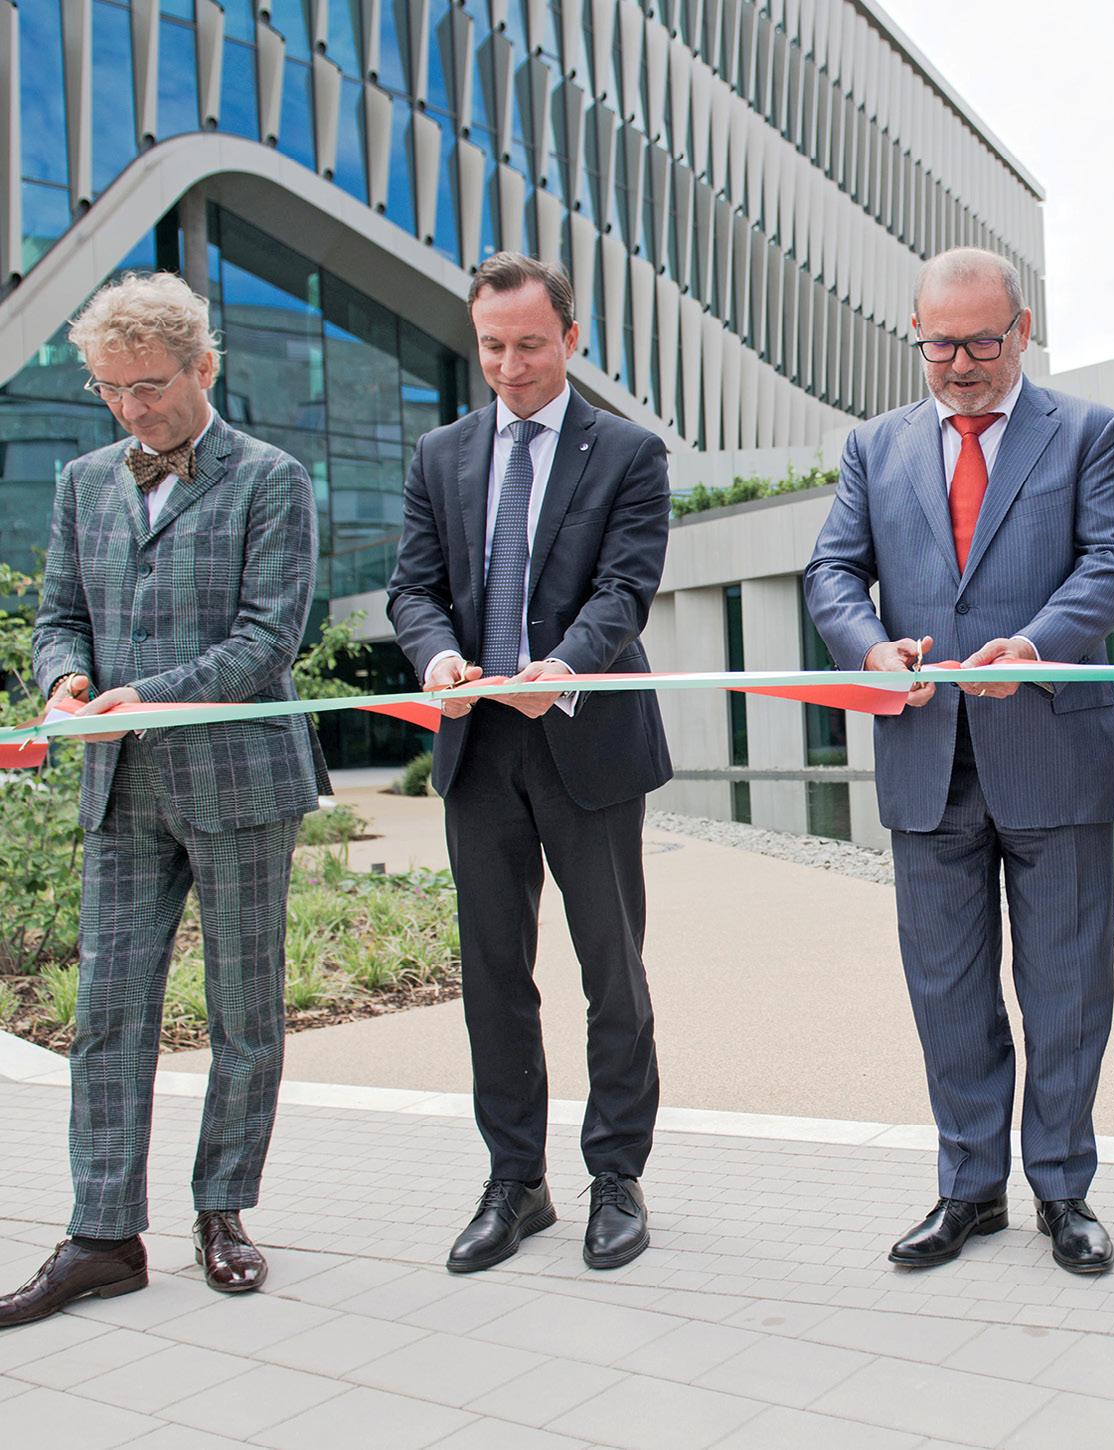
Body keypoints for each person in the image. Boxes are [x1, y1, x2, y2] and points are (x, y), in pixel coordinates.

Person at [805, 247, 1114, 1275]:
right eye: (939, 345)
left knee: (1066, 993)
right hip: (927, 758)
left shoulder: (1088, 432)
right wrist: (870, 648)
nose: (959, 364)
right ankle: (969, 1188)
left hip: (1052, 749)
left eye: (981, 343)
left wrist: (1035, 646)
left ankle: (1063, 1190)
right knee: (947, 992)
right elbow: (832, 571)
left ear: (1023, 330)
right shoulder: (873, 447)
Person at [3, 272, 320, 1328]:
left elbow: (268, 639)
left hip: (240, 784)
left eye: (148, 386)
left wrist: (149, 697)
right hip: (123, 790)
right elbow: (59, 616)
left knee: (243, 1011)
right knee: (107, 1012)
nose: (131, 408)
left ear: (202, 368)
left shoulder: (272, 479)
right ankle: (103, 1236)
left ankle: (223, 1212)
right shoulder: (82, 482)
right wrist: (64, 682)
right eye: (110, 388)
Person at [388, 253, 672, 1274]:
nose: (510, 367)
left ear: (572, 338)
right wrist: (437, 657)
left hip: (584, 739)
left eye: (531, 345)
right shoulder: (441, 454)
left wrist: (565, 666)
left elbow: (624, 588)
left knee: (612, 972)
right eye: (492, 347)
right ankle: (516, 1182)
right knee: (494, 976)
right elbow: (413, 589)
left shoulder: (628, 452)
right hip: (478, 747)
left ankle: (616, 1177)